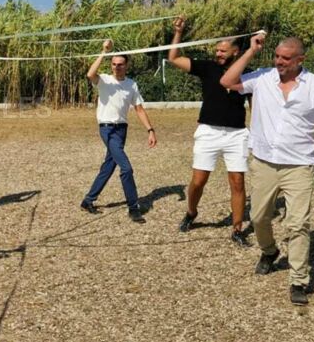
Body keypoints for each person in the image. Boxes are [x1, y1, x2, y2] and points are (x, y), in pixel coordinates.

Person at [221, 33, 314, 306]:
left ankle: (298, 280)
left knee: (298, 224)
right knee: (259, 216)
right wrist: (250, 52)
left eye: (286, 58)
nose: (279, 62)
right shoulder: (262, 78)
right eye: (276, 56)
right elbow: (227, 81)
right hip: (264, 162)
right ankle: (269, 250)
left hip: (299, 165)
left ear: (300, 59)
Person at [167, 17, 251, 245]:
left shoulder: (248, 73)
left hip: (236, 134)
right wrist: (178, 32)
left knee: (237, 182)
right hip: (208, 131)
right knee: (198, 181)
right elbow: (173, 58)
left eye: (223, 51)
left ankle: (236, 229)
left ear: (236, 51)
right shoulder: (207, 68)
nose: (218, 54)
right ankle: (191, 212)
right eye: (217, 50)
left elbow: (256, 105)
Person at [80, 39, 157, 223]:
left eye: (120, 64)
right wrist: (104, 51)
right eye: (114, 64)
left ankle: (88, 200)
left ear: (126, 65)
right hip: (107, 129)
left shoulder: (131, 85)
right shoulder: (104, 80)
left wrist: (150, 130)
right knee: (126, 168)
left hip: (122, 130)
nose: (116, 67)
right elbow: (90, 74)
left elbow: (139, 109)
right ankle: (133, 207)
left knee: (109, 166)